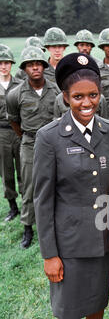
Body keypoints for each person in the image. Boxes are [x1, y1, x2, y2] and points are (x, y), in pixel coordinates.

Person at [33, 53, 109, 319]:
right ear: (66, 97)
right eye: (79, 96)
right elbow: (42, 199)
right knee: (68, 309)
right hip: (67, 242)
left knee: (97, 300)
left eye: (93, 95)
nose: (87, 103)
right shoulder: (49, 137)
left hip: (101, 236)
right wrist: (49, 254)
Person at [6, 46, 60, 249]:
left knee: (57, 184)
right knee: (29, 187)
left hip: (54, 144)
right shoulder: (15, 94)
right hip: (29, 143)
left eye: (38, 64)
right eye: (30, 65)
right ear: (24, 68)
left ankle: (55, 224)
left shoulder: (55, 90)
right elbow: (14, 121)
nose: (35, 68)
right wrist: (27, 137)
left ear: (44, 67)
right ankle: (28, 227)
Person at [0, 44, 22, 221]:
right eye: (0, 63)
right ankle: (13, 207)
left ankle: (27, 204)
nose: (3, 66)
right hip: (1, 133)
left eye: (7, 62)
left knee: (23, 170)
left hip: (19, 132)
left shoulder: (20, 85)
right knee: (6, 172)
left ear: (11, 64)